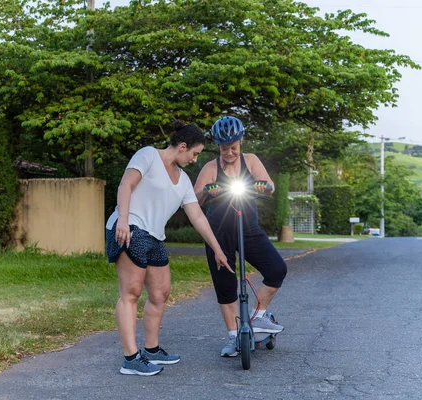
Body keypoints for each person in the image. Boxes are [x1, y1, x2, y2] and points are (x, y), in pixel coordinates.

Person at [106, 120, 232, 376]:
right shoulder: (148, 156)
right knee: (130, 293)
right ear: (182, 146)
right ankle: (131, 358)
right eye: (194, 153)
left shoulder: (184, 181)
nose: (195, 159)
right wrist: (122, 219)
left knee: (160, 293)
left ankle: (151, 350)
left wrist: (218, 249)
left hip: (154, 235)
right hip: (129, 227)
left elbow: (197, 217)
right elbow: (125, 185)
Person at [193, 116, 288, 358]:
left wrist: (262, 186)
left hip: (249, 230)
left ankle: (258, 317)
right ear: (218, 146)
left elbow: (269, 184)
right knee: (225, 285)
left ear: (240, 142)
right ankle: (233, 337)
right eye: (224, 148)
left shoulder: (251, 161)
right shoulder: (210, 167)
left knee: (277, 269)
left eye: (233, 147)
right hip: (219, 234)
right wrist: (206, 190)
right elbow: (195, 198)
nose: (229, 152)